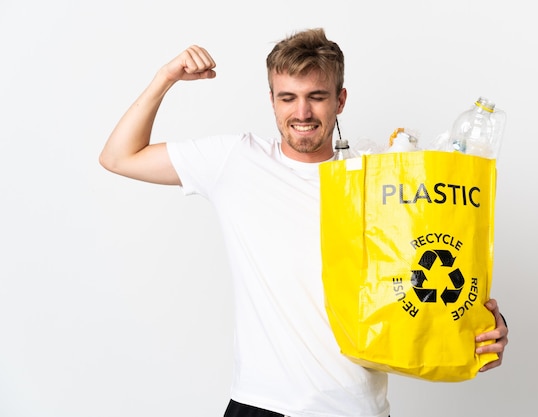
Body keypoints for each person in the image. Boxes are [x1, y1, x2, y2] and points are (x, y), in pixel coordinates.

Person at [100, 28, 509, 417]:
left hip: (355, 408)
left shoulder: (377, 179)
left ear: (340, 100)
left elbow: (419, 272)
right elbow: (119, 157)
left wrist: (479, 322)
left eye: (316, 96)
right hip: (260, 405)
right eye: (287, 97)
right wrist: (165, 77)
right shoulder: (236, 161)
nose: (302, 113)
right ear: (272, 100)